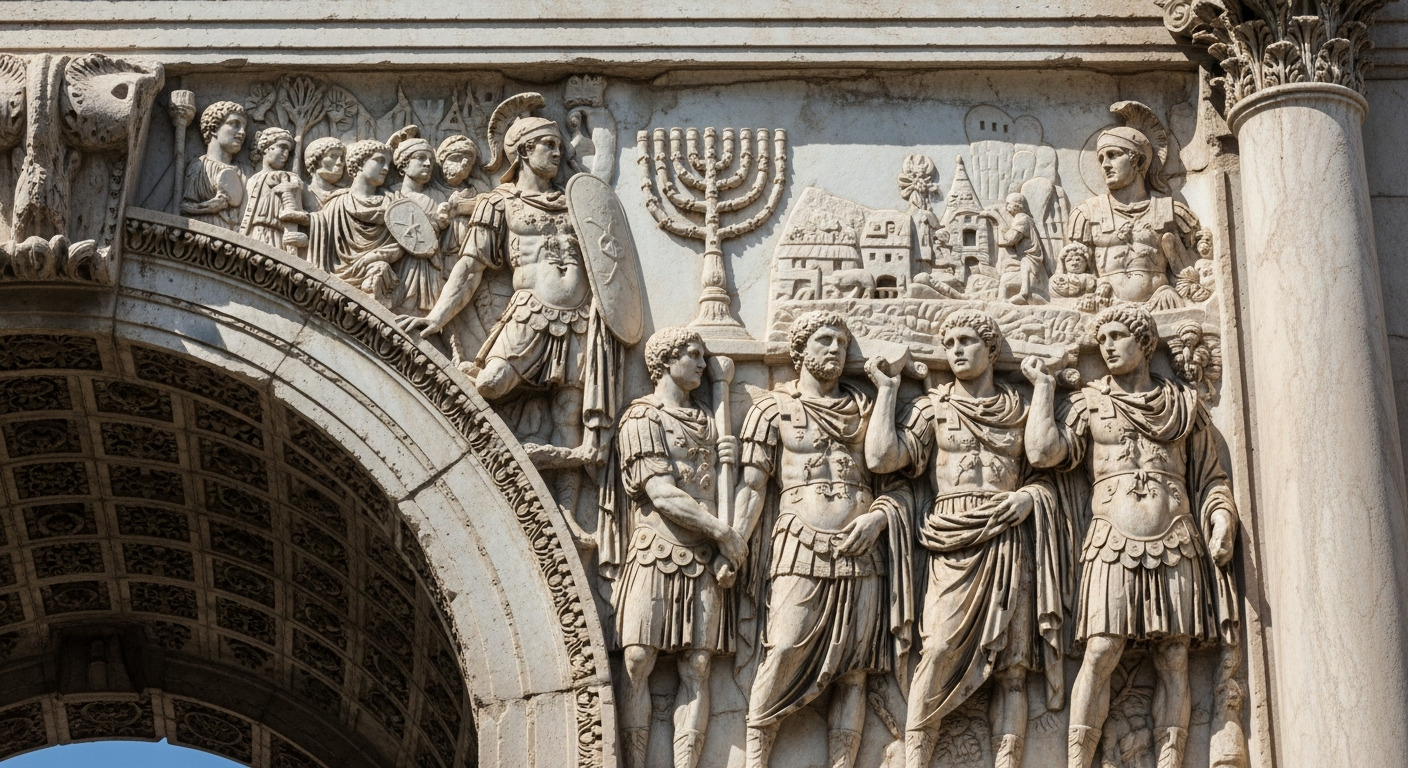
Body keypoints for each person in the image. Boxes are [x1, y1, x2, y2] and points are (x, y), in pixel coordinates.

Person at [1021, 304, 1239, 768]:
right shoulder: (1089, 402)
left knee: (1174, 656)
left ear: (1145, 344)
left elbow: (1211, 478)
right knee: (1101, 650)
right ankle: (1078, 761)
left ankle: (1170, 760)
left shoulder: (1184, 406)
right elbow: (1043, 453)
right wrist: (1043, 387)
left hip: (1176, 538)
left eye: (1118, 336)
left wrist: (1221, 517)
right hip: (1111, 541)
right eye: (1102, 340)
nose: (1108, 347)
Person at [399, 115, 626, 543]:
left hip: (581, 319)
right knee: (490, 383)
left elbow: (605, 197)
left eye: (559, 145)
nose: (558, 152)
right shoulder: (498, 203)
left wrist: (595, 117)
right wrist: (437, 318)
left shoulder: (574, 200)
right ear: (522, 151)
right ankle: (463, 462)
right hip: (531, 313)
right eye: (547, 145)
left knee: (568, 417)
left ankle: (565, 514)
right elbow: (470, 267)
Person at [866, 309, 1067, 768]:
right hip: (950, 539)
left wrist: (1030, 496)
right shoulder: (933, 407)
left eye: (967, 341)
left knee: (1012, 670)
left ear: (991, 350)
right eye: (950, 343)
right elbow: (881, 459)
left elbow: (1043, 461)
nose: (956, 350)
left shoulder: (1018, 408)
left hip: (1007, 537)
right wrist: (888, 390)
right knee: (936, 650)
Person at [733, 310, 911, 768]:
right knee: (783, 648)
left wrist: (878, 519)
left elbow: (898, 483)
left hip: (862, 552)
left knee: (854, 670)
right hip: (799, 544)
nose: (835, 349)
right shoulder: (771, 410)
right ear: (799, 350)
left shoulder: (865, 408)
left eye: (842, 343)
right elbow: (752, 488)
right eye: (824, 340)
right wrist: (734, 542)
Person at [606, 326, 744, 768]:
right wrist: (723, 533)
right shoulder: (641, 418)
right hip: (655, 548)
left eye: (703, 356)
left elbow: (719, 490)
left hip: (703, 559)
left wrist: (726, 548)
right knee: (636, 658)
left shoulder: (710, 419)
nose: (703, 364)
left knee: (698, 666)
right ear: (665, 361)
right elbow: (662, 493)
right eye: (693, 355)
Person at [1066, 125, 1198, 308]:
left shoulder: (1171, 211)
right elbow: (1073, 275)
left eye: (1113, 155)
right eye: (1101, 158)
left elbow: (1192, 270)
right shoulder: (1086, 214)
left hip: (1161, 307)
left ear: (1138, 160)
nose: (1105, 165)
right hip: (1106, 311)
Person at [307, 139, 402, 300]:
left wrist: (376, 256)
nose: (386, 168)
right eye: (379, 161)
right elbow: (321, 228)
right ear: (359, 163)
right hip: (336, 276)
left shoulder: (393, 203)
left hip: (376, 271)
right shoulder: (337, 203)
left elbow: (406, 242)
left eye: (388, 163)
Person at [239, 126, 308, 255]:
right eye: (282, 147)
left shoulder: (287, 178)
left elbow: (296, 212)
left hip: (276, 236)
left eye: (288, 150)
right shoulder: (252, 179)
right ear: (266, 148)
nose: (285, 154)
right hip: (251, 235)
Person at [180, 101, 247, 230]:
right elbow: (185, 206)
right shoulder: (199, 167)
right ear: (214, 128)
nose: (242, 132)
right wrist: (210, 207)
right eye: (235, 124)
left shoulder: (245, 172)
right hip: (202, 231)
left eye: (244, 127)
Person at [302, 136, 347, 210]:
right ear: (316, 160)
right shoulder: (302, 192)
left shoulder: (346, 195)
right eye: (333, 156)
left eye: (342, 158)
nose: (340, 162)